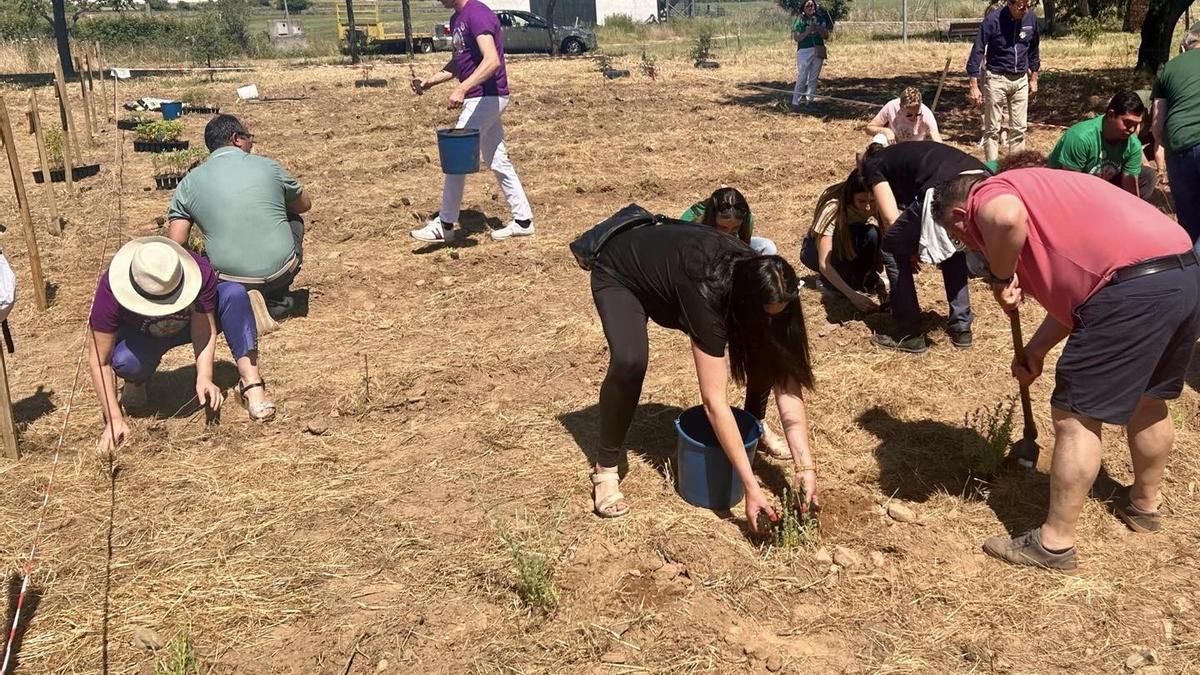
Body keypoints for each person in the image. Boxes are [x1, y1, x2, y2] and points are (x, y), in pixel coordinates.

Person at [931, 168, 1199, 571]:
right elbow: (1082, 303)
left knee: (1075, 417)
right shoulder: (1046, 198)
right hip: (1182, 274)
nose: (970, 245)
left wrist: (1000, 277)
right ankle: (1144, 504)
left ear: (959, 216)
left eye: (961, 238)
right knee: (1150, 399)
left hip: (1129, 289)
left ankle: (1053, 544)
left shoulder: (991, 194)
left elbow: (1003, 218)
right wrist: (1036, 351)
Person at [586, 220, 819, 531]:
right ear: (744, 304)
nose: (770, 321)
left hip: (672, 268)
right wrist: (750, 486)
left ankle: (754, 427)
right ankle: (606, 469)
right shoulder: (708, 294)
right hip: (621, 269)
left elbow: (787, 383)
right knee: (630, 361)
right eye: (763, 315)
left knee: (768, 350)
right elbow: (714, 402)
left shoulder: (771, 285)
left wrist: (805, 466)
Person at [88, 237, 276, 451]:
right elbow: (99, 360)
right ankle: (137, 380)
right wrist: (113, 418)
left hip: (187, 326)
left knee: (234, 294)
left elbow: (203, 328)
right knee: (125, 361)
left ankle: (250, 383)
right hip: (143, 336)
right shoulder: (109, 290)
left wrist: (204, 376)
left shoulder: (199, 270)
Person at [168, 115, 311, 328]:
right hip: (282, 271)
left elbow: (176, 241)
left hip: (229, 279)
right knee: (294, 221)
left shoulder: (188, 183)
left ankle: (237, 303)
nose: (251, 143)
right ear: (236, 139)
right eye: (248, 137)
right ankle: (277, 297)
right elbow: (304, 205)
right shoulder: (269, 166)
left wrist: (203, 273)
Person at [410, 0, 533, 243]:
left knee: (456, 153)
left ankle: (444, 224)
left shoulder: (477, 14)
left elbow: (491, 60)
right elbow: (460, 62)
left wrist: (463, 88)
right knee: (498, 159)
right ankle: (523, 220)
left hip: (486, 96)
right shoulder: (457, 19)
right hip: (481, 97)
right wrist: (430, 81)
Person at [861, 140, 986, 353]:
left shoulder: (873, 164)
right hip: (983, 182)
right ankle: (962, 327)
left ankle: (908, 333)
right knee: (954, 246)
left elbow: (891, 219)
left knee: (891, 247)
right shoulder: (907, 153)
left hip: (947, 187)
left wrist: (907, 247)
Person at [1047, 91, 1156, 200]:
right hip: (1064, 185)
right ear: (1111, 115)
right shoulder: (1081, 138)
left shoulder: (1133, 144)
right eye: (1128, 123)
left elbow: (1130, 189)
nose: (1132, 129)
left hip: (1101, 183)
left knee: (1147, 175)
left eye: (1136, 124)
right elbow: (1070, 185)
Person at [967, 0, 1040, 163]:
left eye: (1028, 6)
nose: (1025, 11)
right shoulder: (992, 20)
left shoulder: (1031, 19)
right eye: (1021, 7)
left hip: (1021, 79)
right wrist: (974, 85)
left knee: (1019, 129)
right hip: (996, 78)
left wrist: (1034, 78)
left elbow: (1034, 50)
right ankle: (991, 169)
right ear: (1010, 4)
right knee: (992, 129)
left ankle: (1015, 170)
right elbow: (977, 50)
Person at [799, 169, 882, 312]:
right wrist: (853, 296)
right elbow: (824, 263)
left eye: (872, 201)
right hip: (820, 251)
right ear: (851, 197)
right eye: (861, 201)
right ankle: (828, 282)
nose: (868, 207)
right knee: (842, 287)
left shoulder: (877, 203)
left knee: (872, 234)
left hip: (851, 241)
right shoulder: (833, 208)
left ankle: (860, 279)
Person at [1152, 23, 1200, 244]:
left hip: (1179, 146)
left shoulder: (1169, 68)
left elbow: (1156, 127)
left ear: (1183, 47)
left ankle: (1191, 273)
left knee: (1189, 227)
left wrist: (1171, 148)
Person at [680, 187, 778, 256]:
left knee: (768, 247)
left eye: (735, 229)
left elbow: (744, 245)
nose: (728, 233)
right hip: (699, 251)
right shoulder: (690, 221)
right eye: (723, 227)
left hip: (731, 248)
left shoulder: (746, 217)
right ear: (711, 219)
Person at [790, 0, 831, 111]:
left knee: (814, 77)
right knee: (802, 76)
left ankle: (810, 101)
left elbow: (826, 36)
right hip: (804, 50)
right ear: (803, 7)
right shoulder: (800, 20)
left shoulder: (820, 19)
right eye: (807, 5)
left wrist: (818, 28)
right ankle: (795, 103)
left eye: (812, 5)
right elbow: (797, 38)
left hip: (818, 49)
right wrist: (808, 31)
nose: (810, 7)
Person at [865, 87, 943, 145]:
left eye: (917, 114)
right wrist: (886, 131)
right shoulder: (891, 106)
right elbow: (869, 128)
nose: (913, 118)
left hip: (915, 148)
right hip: (893, 144)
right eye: (909, 115)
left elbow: (936, 137)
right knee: (877, 142)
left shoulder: (926, 113)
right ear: (900, 106)